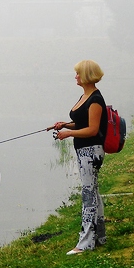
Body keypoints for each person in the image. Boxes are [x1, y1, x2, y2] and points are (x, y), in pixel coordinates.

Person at [50, 60, 108, 255]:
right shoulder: (85, 96)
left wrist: (69, 134)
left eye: (78, 73)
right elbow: (82, 122)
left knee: (88, 195)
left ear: (86, 75)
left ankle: (85, 243)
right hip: (84, 150)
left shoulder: (96, 99)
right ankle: (100, 237)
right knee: (93, 192)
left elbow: (92, 129)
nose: (75, 76)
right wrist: (65, 125)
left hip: (91, 151)